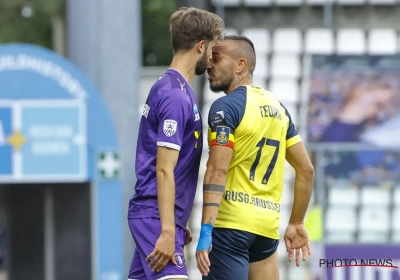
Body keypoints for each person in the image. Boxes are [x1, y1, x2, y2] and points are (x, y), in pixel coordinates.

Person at [195, 35, 315, 280]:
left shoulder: (225, 107)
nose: (209, 65)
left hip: (230, 228)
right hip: (266, 231)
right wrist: (296, 223)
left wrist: (206, 231)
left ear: (240, 65)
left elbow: (218, 171)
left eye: (216, 58)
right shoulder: (279, 108)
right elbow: (306, 170)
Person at [127, 7, 224, 280]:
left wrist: (177, 221)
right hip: (155, 218)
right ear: (201, 45)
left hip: (161, 216)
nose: (213, 56)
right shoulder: (175, 97)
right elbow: (163, 169)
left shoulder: (172, 88)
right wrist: (168, 228)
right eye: (213, 47)